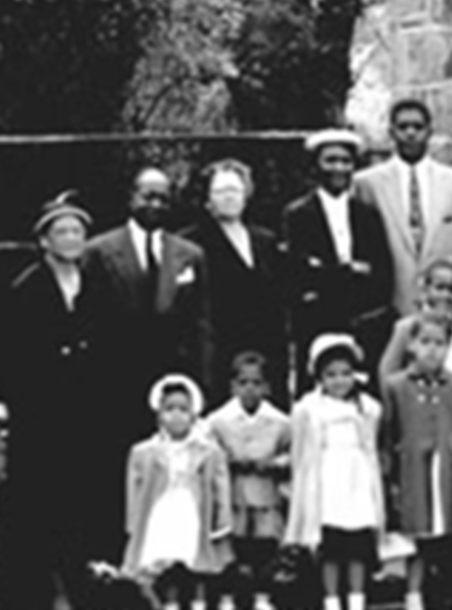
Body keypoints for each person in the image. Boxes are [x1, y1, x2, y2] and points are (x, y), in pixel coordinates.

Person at [0, 193, 131, 606]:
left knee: (86, 499)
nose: (72, 238)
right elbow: (11, 360)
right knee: (41, 501)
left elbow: (113, 343)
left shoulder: (99, 283)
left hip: (90, 414)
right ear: (45, 240)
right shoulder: (27, 288)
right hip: (43, 418)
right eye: (63, 231)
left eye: (77, 231)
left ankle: (86, 583)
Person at [85, 166, 209, 428]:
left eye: (163, 199)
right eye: (148, 196)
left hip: (172, 376)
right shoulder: (99, 251)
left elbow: (201, 321)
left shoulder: (190, 254)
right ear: (131, 197)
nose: (156, 204)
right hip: (115, 375)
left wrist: (201, 375)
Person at [381, 315, 452, 610]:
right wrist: (391, 481)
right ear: (411, 345)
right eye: (425, 342)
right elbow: (388, 438)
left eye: (440, 343)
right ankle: (413, 596)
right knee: (417, 535)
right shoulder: (396, 386)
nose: (432, 349)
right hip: (414, 472)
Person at [354, 99, 452, 315]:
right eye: (403, 127)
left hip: (442, 308)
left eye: (417, 127)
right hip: (387, 306)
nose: (410, 133)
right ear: (391, 132)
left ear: (429, 131)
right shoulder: (368, 184)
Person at [284, 129, 395, 387]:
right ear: (316, 166)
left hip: (363, 323)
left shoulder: (367, 214)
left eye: (346, 161)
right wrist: (348, 271)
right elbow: (300, 274)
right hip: (318, 322)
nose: (339, 168)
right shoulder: (297, 215)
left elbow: (381, 273)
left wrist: (328, 271)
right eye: (331, 160)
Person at [287, 334, 386, 610]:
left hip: (357, 479)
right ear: (319, 377)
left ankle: (356, 598)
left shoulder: (367, 408)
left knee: (357, 544)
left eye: (345, 373)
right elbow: (300, 451)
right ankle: (331, 599)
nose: (339, 381)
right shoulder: (309, 409)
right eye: (331, 375)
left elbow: (371, 444)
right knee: (330, 546)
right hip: (327, 480)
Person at [181, 159, 287, 406]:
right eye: (220, 191)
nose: (229, 197)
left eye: (235, 190)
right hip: (221, 345)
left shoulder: (265, 239)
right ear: (207, 199)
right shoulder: (191, 242)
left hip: (265, 343)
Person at [123, 374, 232, 608]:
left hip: (192, 511)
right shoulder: (144, 452)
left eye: (183, 409)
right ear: (159, 413)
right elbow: (134, 490)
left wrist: (221, 521)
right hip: (160, 512)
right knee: (160, 561)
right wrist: (134, 524)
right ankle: (166, 602)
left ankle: (194, 601)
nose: (176, 415)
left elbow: (220, 486)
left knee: (193, 560)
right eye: (169, 409)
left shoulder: (209, 451)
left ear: (194, 413)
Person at [207, 351, 291, 610]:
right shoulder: (217, 421)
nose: (250, 388)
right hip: (232, 493)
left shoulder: (281, 422)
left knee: (264, 545)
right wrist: (226, 461)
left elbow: (294, 453)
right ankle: (228, 596)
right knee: (232, 546)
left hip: (266, 492)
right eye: (243, 382)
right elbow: (208, 452)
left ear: (267, 387)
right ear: (233, 386)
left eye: (257, 382)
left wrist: (275, 464)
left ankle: (262, 595)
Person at [378, 260, 452, 379]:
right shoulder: (406, 328)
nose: (446, 295)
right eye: (440, 288)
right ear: (426, 290)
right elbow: (387, 375)